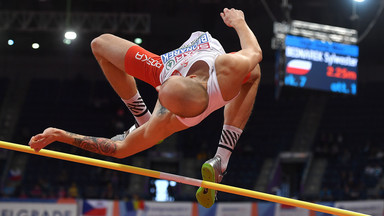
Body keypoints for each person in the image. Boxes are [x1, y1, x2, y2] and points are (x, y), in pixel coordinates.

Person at [29, 8, 262, 208]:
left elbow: (119, 148)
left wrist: (61, 135)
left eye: (161, 91)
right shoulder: (226, 70)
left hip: (163, 66)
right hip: (183, 71)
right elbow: (255, 52)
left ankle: (148, 122)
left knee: (100, 46)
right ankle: (219, 159)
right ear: (189, 78)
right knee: (254, 73)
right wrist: (238, 22)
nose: (158, 89)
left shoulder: (165, 116)